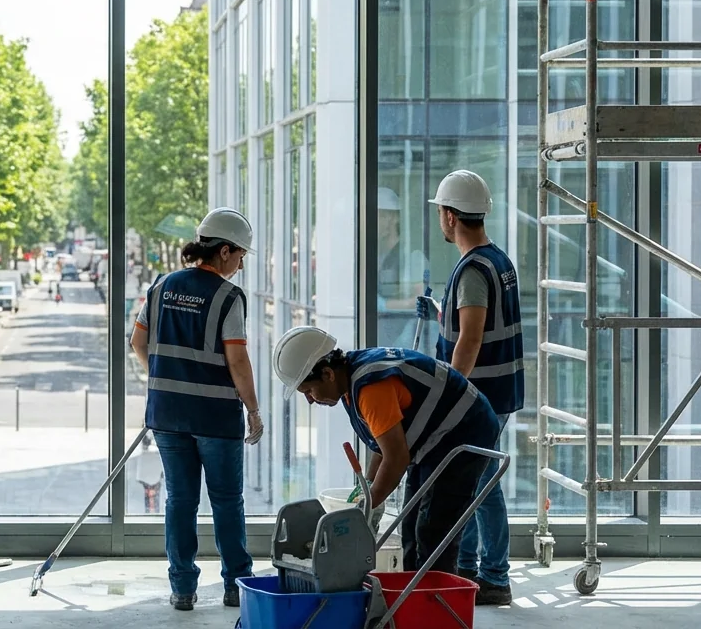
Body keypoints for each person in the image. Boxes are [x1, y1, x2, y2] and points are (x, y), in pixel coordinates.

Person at [274, 326, 499, 580]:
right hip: (435, 438)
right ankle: (414, 599)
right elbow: (383, 444)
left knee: (433, 530)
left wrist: (368, 508)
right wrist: (369, 490)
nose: (310, 400)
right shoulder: (351, 381)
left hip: (463, 431)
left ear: (327, 374)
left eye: (308, 391)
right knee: (411, 524)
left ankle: (438, 604)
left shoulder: (371, 388)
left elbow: (396, 458)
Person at [129, 207, 262, 612]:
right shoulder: (228, 297)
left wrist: (164, 381)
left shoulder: (162, 285)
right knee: (226, 501)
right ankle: (236, 584)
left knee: (180, 501)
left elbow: (137, 343)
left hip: (167, 415)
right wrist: (254, 412)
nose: (240, 264)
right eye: (240, 255)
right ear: (223, 251)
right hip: (216, 418)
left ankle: (182, 588)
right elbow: (237, 361)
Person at [416, 169, 524, 606]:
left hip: (481, 395)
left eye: (440, 213)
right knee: (480, 480)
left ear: (449, 216)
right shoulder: (497, 259)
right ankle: (473, 569)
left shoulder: (472, 268)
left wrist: (450, 392)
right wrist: (443, 314)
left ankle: (494, 576)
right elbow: (472, 323)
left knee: (482, 485)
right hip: (499, 388)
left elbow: (472, 336)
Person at [377, 187, 429, 348]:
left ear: (393, 218)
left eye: (380, 216)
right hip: (383, 338)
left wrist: (384, 305)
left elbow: (420, 301)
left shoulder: (412, 255)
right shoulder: (378, 256)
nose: (374, 221)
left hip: (405, 341)